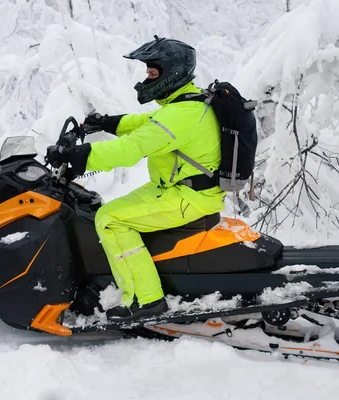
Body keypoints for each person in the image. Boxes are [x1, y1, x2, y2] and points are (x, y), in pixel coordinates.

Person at [46, 36, 225, 321]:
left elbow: (132, 149)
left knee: (110, 219)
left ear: (172, 73)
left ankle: (147, 300)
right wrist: (106, 122)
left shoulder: (183, 114)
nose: (146, 79)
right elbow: (146, 124)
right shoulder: (186, 103)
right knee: (106, 211)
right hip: (179, 190)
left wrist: (79, 156)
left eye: (153, 73)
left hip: (189, 198)